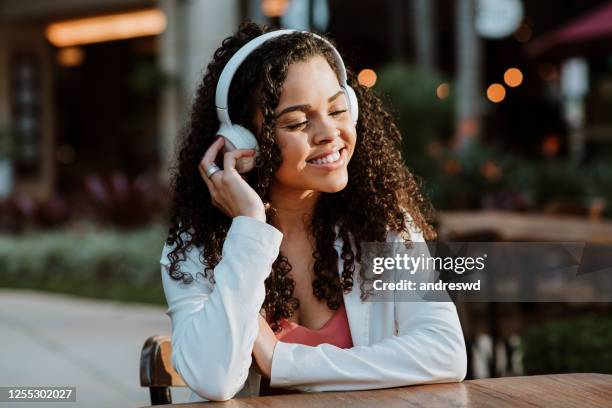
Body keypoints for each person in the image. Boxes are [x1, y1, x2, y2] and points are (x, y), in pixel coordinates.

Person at [160, 21, 466, 403]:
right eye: (298, 122)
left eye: (337, 110)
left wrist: (284, 362)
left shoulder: (382, 222)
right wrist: (249, 229)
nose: (329, 133)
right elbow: (213, 378)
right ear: (244, 141)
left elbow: (445, 351)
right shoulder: (198, 246)